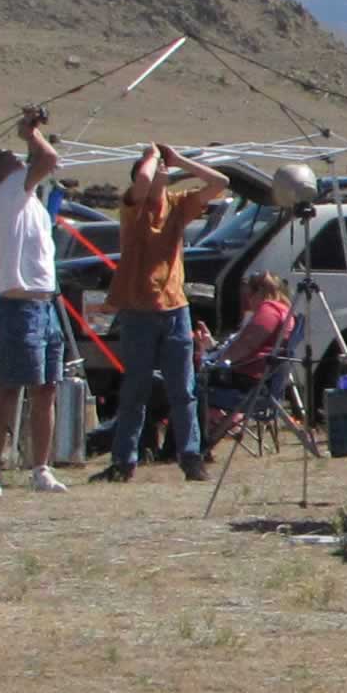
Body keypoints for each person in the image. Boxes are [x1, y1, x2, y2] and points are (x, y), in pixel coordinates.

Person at [93, 143, 230, 484]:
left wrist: (179, 159)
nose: (164, 176)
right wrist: (152, 156)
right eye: (160, 172)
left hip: (175, 309)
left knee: (183, 390)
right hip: (138, 310)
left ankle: (191, 457)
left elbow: (220, 182)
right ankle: (124, 461)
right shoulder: (133, 206)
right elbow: (141, 183)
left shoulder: (178, 204)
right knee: (135, 391)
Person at [0, 107, 70, 497]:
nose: (14, 158)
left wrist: (34, 131)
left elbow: (44, 159)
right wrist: (30, 133)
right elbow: (47, 158)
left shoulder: (26, 196)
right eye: (4, 158)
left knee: (46, 388)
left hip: (44, 304)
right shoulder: (7, 194)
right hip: (18, 306)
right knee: (10, 389)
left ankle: (41, 468)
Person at [201, 272, 296, 451]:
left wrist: (219, 361)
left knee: (190, 387)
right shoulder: (285, 311)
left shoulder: (269, 311)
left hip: (250, 382)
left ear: (258, 292)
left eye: (249, 295)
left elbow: (246, 344)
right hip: (261, 380)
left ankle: (192, 446)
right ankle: (202, 443)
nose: (248, 302)